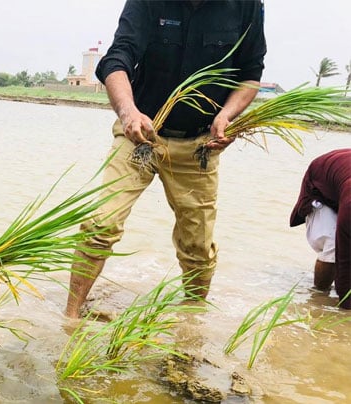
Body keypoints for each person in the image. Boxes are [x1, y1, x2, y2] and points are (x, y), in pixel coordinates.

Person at [65, 0, 267, 318]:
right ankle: (70, 318)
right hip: (141, 133)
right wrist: (128, 111)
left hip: (200, 143)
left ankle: (191, 326)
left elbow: (251, 73)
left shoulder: (246, 6)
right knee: (99, 225)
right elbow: (118, 58)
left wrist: (227, 115)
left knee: (198, 247)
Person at [290, 149, 351, 310]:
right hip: (320, 182)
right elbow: (344, 259)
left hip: (341, 173)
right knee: (332, 245)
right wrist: (345, 309)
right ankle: (318, 296)